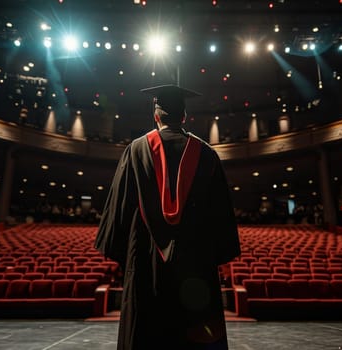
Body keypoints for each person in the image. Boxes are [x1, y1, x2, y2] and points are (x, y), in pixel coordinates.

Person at [95, 84, 241, 350]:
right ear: (184, 117)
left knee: (146, 333)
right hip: (195, 265)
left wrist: (124, 253)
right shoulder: (207, 154)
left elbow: (119, 210)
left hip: (145, 261)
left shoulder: (136, 150)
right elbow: (220, 216)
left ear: (156, 116)